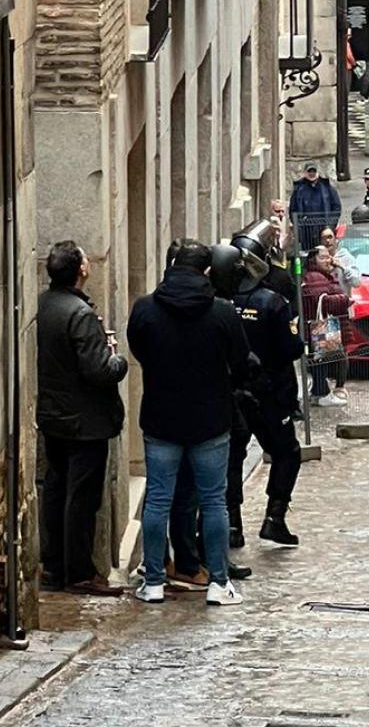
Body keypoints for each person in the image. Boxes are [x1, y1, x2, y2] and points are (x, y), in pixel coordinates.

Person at [126, 240, 250, 606]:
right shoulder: (222, 313)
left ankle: (153, 582)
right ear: (207, 271)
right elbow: (240, 361)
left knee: (158, 500)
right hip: (210, 419)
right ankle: (218, 582)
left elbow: (139, 350)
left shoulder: (146, 309)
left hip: (162, 417)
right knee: (213, 502)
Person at [36, 240, 129, 597]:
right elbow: (99, 371)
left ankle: (54, 566)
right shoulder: (80, 314)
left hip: (54, 416)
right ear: (81, 270)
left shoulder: (43, 306)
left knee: (56, 490)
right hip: (85, 422)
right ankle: (78, 572)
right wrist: (117, 360)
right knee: (82, 497)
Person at [223, 233, 307, 547]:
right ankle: (275, 517)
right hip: (270, 393)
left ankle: (232, 523)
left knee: (232, 457)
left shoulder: (220, 304)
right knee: (287, 453)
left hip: (233, 393)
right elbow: (291, 348)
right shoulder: (272, 302)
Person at [301, 246, 351, 407]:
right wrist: (344, 300)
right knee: (321, 357)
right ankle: (321, 393)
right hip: (321, 326)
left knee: (322, 357)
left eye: (328, 256)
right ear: (313, 260)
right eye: (322, 257)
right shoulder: (315, 277)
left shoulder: (323, 275)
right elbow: (322, 300)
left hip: (322, 325)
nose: (327, 260)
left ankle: (319, 390)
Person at [289, 163, 343, 253]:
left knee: (326, 256)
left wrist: (330, 225)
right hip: (306, 234)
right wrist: (299, 226)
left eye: (314, 171)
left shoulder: (327, 188)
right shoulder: (298, 190)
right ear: (305, 173)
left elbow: (337, 207)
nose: (312, 173)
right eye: (309, 171)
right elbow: (292, 211)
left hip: (324, 230)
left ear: (317, 172)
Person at [320, 226, 362, 292]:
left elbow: (356, 283)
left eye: (330, 237)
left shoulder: (346, 257)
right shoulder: (318, 259)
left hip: (342, 299)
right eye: (324, 238)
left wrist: (342, 267)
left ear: (336, 239)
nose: (327, 241)